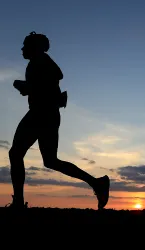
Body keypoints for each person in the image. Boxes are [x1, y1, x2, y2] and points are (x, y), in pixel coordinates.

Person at [7, 31, 110, 210]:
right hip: (47, 113)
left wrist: (26, 86)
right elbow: (49, 82)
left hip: (42, 113)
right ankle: (97, 183)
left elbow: (52, 80)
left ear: (35, 47)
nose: (22, 49)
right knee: (50, 160)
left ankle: (18, 203)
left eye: (25, 45)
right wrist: (28, 87)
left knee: (16, 154)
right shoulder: (39, 61)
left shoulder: (40, 60)